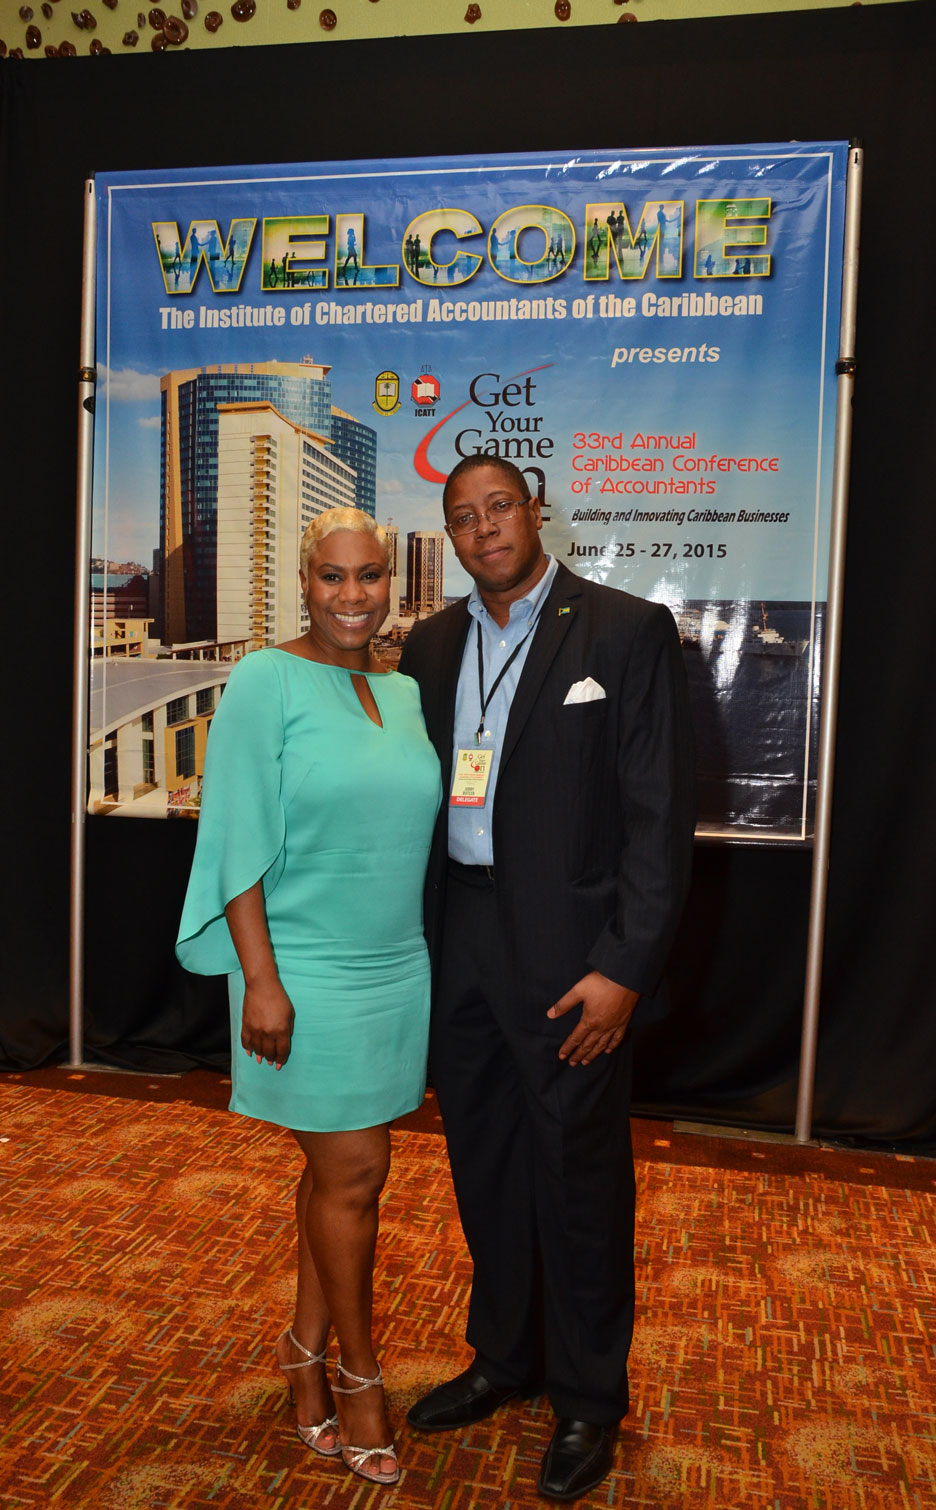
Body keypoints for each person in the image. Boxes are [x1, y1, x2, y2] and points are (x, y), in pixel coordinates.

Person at [399, 457, 694, 1502]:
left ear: (534, 512)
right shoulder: (430, 644)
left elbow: (659, 817)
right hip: (461, 937)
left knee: (577, 1177)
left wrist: (623, 967)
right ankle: (504, 1358)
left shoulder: (621, 630)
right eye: (462, 517)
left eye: (498, 509)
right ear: (449, 536)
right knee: (483, 1161)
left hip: (573, 960)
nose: (484, 529)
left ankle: (586, 1398)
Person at [176, 507, 441, 1487]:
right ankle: (359, 1379)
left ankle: (301, 1354)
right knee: (358, 1172)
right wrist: (261, 979)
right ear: (303, 581)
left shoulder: (405, 691)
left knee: (339, 1178)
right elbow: (234, 833)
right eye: (332, 576)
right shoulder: (264, 678)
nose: (352, 595)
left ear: (390, 583)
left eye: (370, 575)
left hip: (396, 965)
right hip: (303, 967)